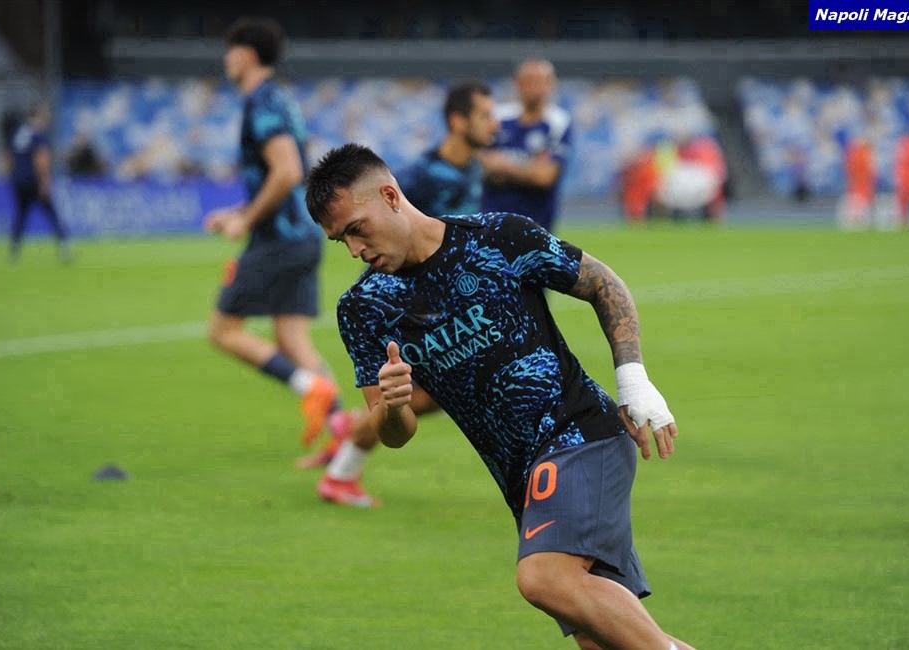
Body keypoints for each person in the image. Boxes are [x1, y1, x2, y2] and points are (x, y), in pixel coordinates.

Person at [305, 143, 698, 650]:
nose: (355, 249)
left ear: (389, 196)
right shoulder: (363, 308)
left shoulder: (498, 237)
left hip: (581, 434)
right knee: (604, 639)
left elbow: (603, 284)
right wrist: (395, 404)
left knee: (543, 578)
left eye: (357, 229)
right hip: (520, 478)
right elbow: (393, 432)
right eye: (341, 240)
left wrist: (633, 381)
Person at [298, 80, 500, 503]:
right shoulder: (419, 177)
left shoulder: (472, 167)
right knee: (420, 397)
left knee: (428, 397)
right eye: (485, 115)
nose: (494, 124)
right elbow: (379, 234)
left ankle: (347, 446)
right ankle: (343, 466)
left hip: (449, 302)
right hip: (408, 308)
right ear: (458, 121)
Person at [203, 18, 374, 507]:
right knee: (291, 337)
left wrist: (246, 219)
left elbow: (287, 171)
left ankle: (308, 387)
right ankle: (340, 433)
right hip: (301, 237)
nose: (226, 59)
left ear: (246, 54)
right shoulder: (279, 99)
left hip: (277, 240)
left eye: (230, 50)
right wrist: (239, 211)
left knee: (223, 330)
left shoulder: (262, 103)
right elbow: (282, 175)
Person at [480, 59, 572, 233]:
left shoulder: (559, 122)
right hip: (491, 222)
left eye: (540, 81)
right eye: (529, 81)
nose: (535, 88)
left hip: (538, 225)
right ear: (517, 83)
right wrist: (529, 170)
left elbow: (544, 176)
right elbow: (479, 166)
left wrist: (503, 167)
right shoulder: (498, 118)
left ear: (551, 84)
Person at [7, 104, 71, 262]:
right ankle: (64, 247)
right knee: (52, 213)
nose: (46, 120)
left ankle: (14, 249)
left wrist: (13, 176)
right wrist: (45, 181)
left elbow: (8, 157)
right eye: (44, 117)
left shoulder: (17, 133)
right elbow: (41, 158)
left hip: (18, 180)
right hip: (34, 180)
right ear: (38, 117)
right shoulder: (38, 134)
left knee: (21, 214)